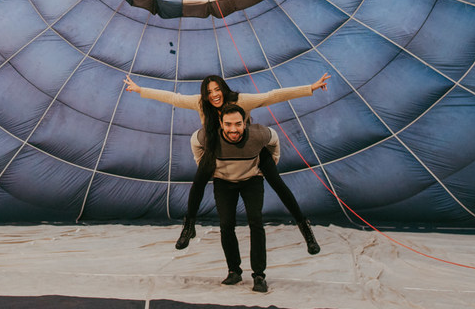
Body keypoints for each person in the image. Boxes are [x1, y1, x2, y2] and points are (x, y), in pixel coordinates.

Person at [124, 70, 329, 253]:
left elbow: (271, 96)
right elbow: (173, 98)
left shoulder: (240, 100)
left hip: (249, 148)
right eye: (209, 91)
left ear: (223, 89)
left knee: (278, 183)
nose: (214, 94)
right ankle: (189, 226)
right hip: (219, 151)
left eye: (217, 89)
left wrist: (309, 88)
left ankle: (304, 227)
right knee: (198, 182)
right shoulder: (200, 103)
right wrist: (141, 89)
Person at [193, 103, 275, 292]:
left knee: (256, 221)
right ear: (221, 124)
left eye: (238, 124)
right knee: (226, 223)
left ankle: (259, 275)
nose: (233, 129)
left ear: (245, 123)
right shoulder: (209, 138)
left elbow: (275, 139)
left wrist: (271, 164)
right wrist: (205, 167)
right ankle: (234, 271)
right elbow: (195, 145)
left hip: (251, 180)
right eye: (228, 124)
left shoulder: (258, 135)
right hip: (224, 182)